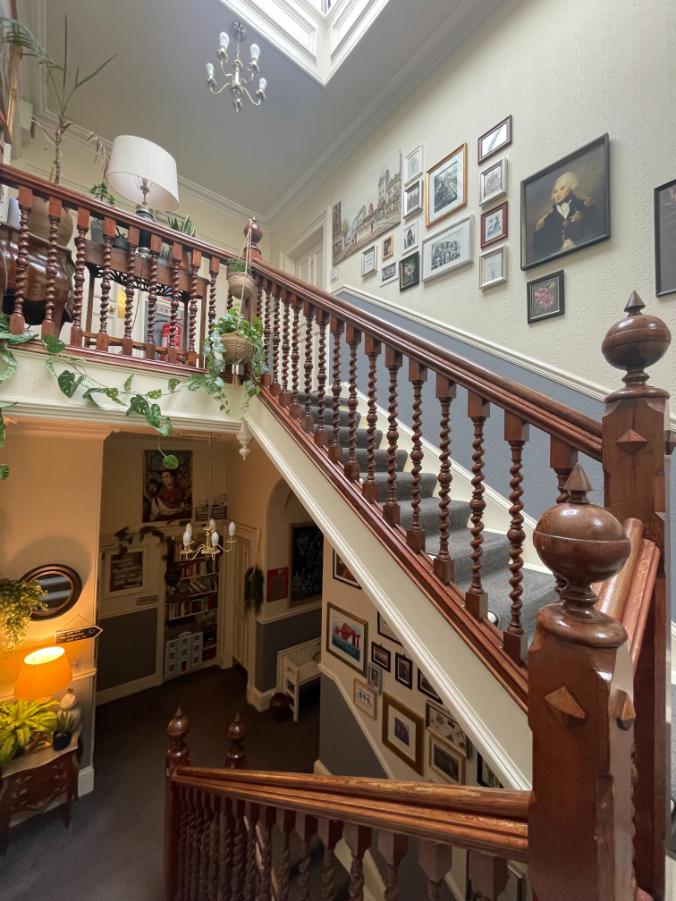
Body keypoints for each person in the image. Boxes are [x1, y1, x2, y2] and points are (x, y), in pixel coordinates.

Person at [532, 170, 600, 259]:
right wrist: (559, 252)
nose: (558, 194)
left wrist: (577, 245)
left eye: (562, 188)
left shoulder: (586, 205)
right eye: (555, 191)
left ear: (571, 187)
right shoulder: (545, 221)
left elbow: (597, 234)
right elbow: (540, 255)